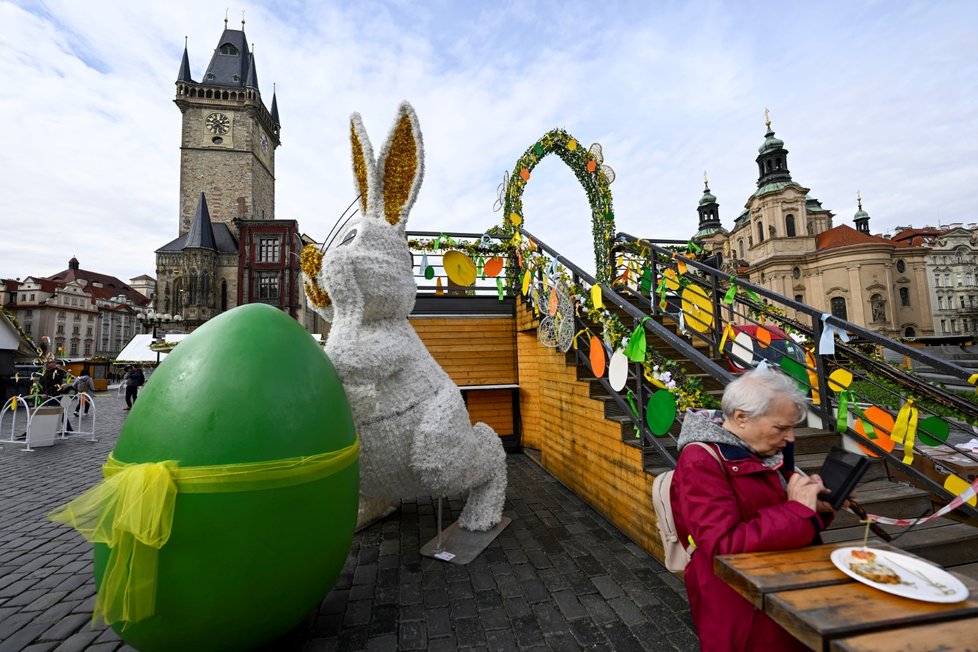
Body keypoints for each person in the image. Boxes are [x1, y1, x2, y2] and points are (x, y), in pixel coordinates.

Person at [672, 368, 836, 651]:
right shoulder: (701, 461)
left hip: (779, 590)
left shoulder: (762, 449)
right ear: (741, 417)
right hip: (741, 605)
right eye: (781, 428)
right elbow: (723, 544)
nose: (791, 437)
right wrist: (797, 510)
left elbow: (780, 517)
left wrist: (813, 508)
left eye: (792, 427)